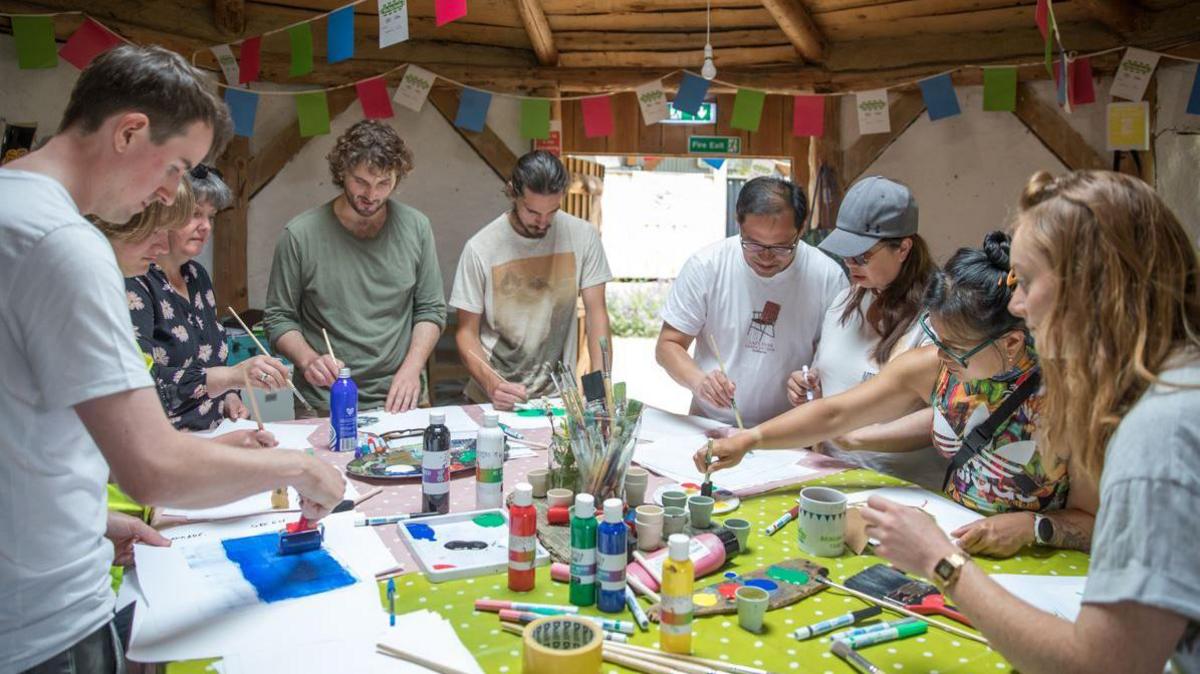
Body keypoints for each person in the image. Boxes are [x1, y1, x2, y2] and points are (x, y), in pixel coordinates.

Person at [0, 45, 344, 674]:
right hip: (43, 625)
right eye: (177, 165)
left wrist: (91, 521)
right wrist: (299, 469)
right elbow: (152, 467)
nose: (171, 193)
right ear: (129, 132)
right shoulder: (65, 244)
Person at [861, 170, 1200, 673]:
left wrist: (941, 561)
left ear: (1094, 286)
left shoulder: (1160, 431)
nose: (1017, 305)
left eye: (1027, 281)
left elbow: (1102, 666)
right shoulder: (1176, 384)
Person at [697, 231, 1097, 557]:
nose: (940, 355)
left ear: (1010, 344)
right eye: (937, 339)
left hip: (1040, 568)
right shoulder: (937, 364)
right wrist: (750, 439)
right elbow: (836, 414)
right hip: (956, 550)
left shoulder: (1073, 397)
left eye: (955, 347)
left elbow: (1097, 523)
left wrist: (1033, 528)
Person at [265, 119, 446, 415]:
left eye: (384, 183)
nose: (372, 194)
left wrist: (412, 370)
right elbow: (278, 318)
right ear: (341, 172)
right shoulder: (299, 235)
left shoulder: (417, 227)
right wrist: (309, 360)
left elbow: (430, 309)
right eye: (360, 181)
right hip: (326, 400)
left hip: (401, 396)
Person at [789, 176, 945, 490]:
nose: (850, 264)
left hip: (901, 488)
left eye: (862, 256)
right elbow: (833, 377)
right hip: (830, 475)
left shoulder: (938, 318)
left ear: (903, 248)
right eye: (845, 254)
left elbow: (945, 417)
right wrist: (809, 387)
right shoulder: (845, 300)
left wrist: (856, 438)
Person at [100, 179, 278, 449]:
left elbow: (210, 358)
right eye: (194, 214)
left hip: (210, 438)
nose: (205, 226)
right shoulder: (132, 281)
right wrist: (231, 376)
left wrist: (229, 395)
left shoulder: (197, 276)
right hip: (168, 447)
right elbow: (146, 389)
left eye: (211, 216)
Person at [657, 176, 847, 427]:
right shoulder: (707, 266)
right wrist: (699, 381)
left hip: (790, 428)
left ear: (800, 231)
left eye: (781, 247)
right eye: (753, 244)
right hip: (713, 424)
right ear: (739, 224)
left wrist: (812, 380)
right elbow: (668, 345)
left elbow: (838, 358)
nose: (766, 257)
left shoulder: (828, 277)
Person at [451, 150, 613, 410]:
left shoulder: (583, 236)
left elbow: (597, 317)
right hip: (494, 399)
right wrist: (493, 385)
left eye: (552, 211)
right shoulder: (481, 248)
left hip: (558, 398)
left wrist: (599, 391)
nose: (543, 222)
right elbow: (465, 333)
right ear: (513, 192)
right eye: (533, 212)